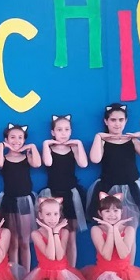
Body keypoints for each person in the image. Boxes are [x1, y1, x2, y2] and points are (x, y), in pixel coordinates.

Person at [87, 103, 140, 230]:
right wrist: (98, 137)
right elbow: (95, 159)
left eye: (121, 120)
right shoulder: (102, 142)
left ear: (126, 121)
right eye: (113, 120)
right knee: (108, 228)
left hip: (131, 189)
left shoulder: (132, 141)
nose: (117, 124)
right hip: (108, 188)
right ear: (106, 121)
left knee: (130, 228)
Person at [20, 198, 94, 280]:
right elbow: (50, 256)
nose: (52, 218)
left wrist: (55, 232)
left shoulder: (64, 232)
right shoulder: (36, 234)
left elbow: (59, 256)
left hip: (62, 274)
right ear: (41, 215)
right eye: (48, 214)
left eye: (55, 214)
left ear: (60, 215)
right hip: (45, 277)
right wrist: (50, 232)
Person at [40, 114, 88, 267]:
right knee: (55, 235)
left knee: (71, 237)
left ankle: (71, 270)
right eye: (59, 130)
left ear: (71, 131)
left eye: (67, 129)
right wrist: (46, 144)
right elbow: (48, 162)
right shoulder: (49, 148)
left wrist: (78, 144)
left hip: (71, 196)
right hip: (52, 195)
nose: (63, 133)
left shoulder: (73, 148)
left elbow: (83, 164)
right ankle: (57, 268)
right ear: (53, 132)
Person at [0, 123, 41, 272]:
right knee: (13, 242)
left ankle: (26, 274)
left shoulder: (27, 157)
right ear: (6, 139)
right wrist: (1, 146)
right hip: (9, 201)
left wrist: (32, 147)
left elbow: (37, 164)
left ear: (24, 140)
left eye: (20, 137)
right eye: (12, 137)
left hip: (25, 202)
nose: (16, 141)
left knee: (25, 241)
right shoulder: (4, 158)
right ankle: (15, 274)